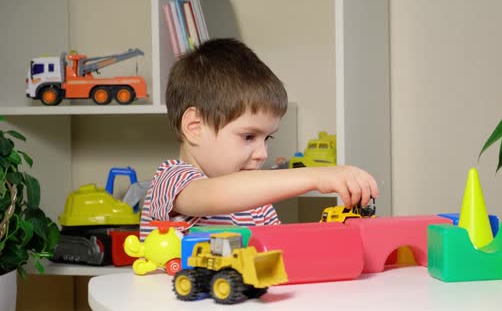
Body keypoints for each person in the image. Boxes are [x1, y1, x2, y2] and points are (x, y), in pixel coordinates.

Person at [140, 38, 379, 240]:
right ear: (195, 126)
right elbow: (217, 195)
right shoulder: (171, 181)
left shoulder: (257, 205)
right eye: (248, 136)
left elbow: (279, 251)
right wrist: (315, 176)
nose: (262, 153)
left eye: (267, 138)